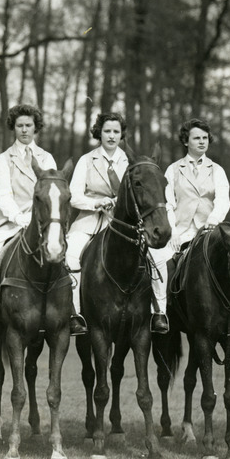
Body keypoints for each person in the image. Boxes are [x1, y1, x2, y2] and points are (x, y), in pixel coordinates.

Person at [65, 111, 167, 333]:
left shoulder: (130, 161)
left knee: (157, 257)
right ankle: (76, 314)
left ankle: (158, 311)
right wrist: (97, 203)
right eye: (107, 131)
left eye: (116, 132)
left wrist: (117, 201)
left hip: (124, 225)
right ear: (99, 133)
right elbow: (73, 195)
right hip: (90, 221)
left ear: (122, 135)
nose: (111, 136)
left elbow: (140, 192)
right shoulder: (86, 160)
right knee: (71, 254)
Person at [0, 104, 58, 336]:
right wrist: (19, 217)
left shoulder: (46, 158)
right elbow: (3, 196)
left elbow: (53, 193)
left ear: (35, 127)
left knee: (64, 254)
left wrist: (40, 218)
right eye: (19, 126)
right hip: (10, 220)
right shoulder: (3, 159)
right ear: (13, 128)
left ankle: (66, 310)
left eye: (28, 125)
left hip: (43, 222)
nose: (24, 130)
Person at [148, 118, 230, 321]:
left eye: (205, 138)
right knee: (158, 259)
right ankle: (160, 312)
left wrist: (213, 219)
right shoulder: (173, 170)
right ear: (186, 141)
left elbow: (223, 200)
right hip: (181, 230)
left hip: (209, 230)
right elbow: (168, 203)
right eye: (196, 138)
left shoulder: (217, 170)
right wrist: (174, 232)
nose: (202, 142)